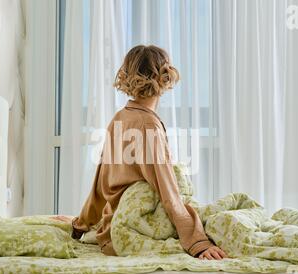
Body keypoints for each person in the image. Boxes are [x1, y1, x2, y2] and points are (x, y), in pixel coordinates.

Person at [56, 45, 227, 260]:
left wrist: (80, 225)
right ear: (166, 78)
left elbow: (100, 186)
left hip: (110, 232)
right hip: (135, 230)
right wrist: (198, 243)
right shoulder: (148, 126)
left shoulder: (119, 118)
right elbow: (168, 193)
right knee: (225, 219)